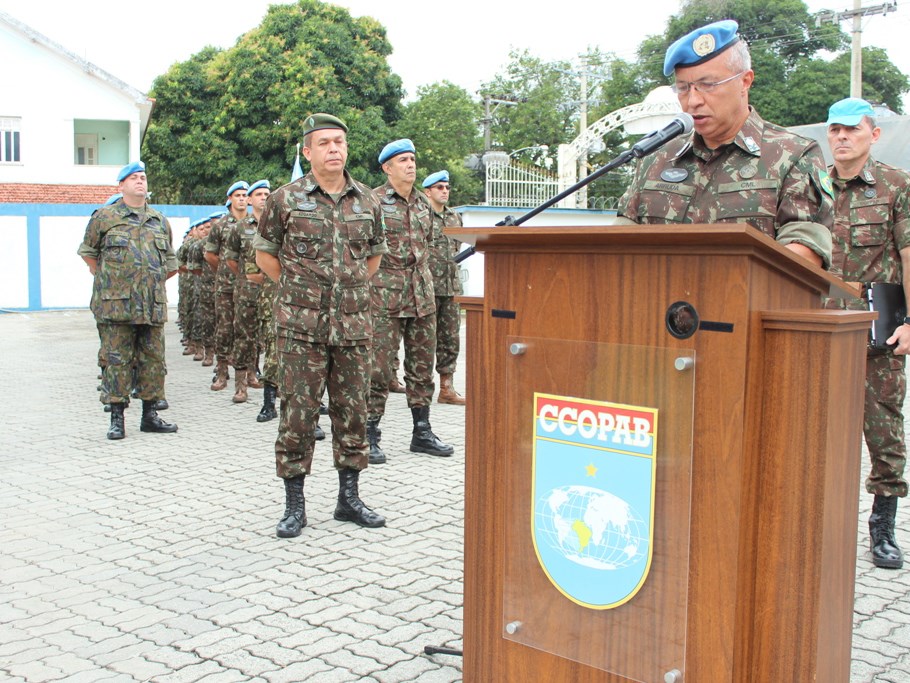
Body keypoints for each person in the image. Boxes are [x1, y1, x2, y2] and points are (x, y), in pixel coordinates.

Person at [254, 113, 388, 537]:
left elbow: (374, 257)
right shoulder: (284, 199)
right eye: (324, 143)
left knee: (353, 413)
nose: (334, 149)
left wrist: (347, 295)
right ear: (307, 151)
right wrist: (299, 293)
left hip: (352, 328)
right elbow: (265, 255)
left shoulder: (367, 201)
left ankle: (348, 499)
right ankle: (295, 505)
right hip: (301, 329)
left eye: (340, 142)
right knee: (298, 416)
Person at [617, 19, 833, 268]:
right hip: (657, 302)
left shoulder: (793, 155)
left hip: (745, 303)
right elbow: (619, 242)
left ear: (745, 81)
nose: (693, 101)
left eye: (708, 85)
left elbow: (805, 249)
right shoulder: (656, 158)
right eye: (684, 88)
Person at [823, 97, 910, 569]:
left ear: (873, 135)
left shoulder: (897, 186)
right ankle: (820, 520)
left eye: (851, 130)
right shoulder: (810, 184)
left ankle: (882, 526)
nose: (841, 137)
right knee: (816, 429)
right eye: (835, 130)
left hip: (877, 334)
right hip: (819, 330)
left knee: (883, 431)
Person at [368, 140, 455, 464]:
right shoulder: (373, 201)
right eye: (402, 160)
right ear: (387, 168)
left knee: (421, 368)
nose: (410, 165)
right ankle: (370, 435)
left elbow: (429, 245)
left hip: (422, 296)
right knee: (378, 370)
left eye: (413, 159)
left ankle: (422, 432)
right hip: (384, 297)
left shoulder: (423, 203)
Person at [77, 161, 178, 440]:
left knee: (153, 360)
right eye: (133, 178)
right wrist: (112, 280)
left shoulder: (159, 220)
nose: (140, 182)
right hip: (115, 306)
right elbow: (88, 252)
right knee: (117, 360)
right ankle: (117, 418)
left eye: (143, 177)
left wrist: (149, 284)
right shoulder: (105, 217)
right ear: (121, 186)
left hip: (151, 305)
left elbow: (170, 263)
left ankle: (150, 416)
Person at [423, 170, 466, 406]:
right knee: (423, 341)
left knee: (450, 339)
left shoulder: (455, 217)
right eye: (439, 187)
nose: (445, 191)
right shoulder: (421, 216)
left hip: (450, 287)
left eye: (447, 187)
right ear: (427, 191)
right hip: (427, 287)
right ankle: (417, 387)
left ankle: (447, 388)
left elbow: (457, 249)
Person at [225, 179, 269, 404]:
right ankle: (240, 385)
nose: (263, 197)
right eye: (259, 194)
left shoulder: (277, 225)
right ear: (250, 200)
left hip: (272, 293)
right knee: (244, 338)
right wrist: (247, 277)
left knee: (268, 339)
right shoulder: (240, 228)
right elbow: (231, 260)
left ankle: (264, 378)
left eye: (266, 194)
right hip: (247, 292)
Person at [206, 181, 248, 391]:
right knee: (224, 328)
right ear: (230, 198)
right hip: (226, 285)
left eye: (244, 195)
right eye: (238, 195)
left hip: (249, 286)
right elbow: (210, 255)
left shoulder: (255, 224)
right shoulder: (220, 225)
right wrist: (226, 270)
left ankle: (249, 373)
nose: (242, 199)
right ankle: (222, 371)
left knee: (247, 329)